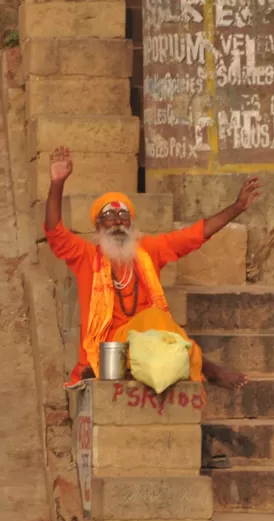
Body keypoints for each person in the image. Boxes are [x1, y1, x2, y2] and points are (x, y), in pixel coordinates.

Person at [43, 145, 260, 391]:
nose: (117, 219)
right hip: (109, 347)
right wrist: (57, 184)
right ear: (98, 226)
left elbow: (194, 235)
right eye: (109, 215)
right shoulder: (87, 256)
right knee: (156, 319)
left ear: (131, 223)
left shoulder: (148, 250)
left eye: (123, 215)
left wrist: (237, 207)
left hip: (149, 343)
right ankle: (207, 368)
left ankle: (202, 367)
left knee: (159, 324)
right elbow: (55, 233)